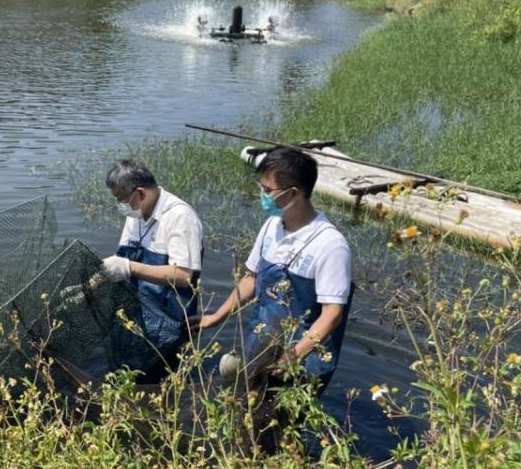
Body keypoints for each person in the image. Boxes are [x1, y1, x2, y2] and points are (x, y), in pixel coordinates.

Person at [192, 148, 352, 393]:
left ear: (294, 194)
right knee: (247, 411)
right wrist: (216, 316)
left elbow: (332, 315)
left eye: (268, 191)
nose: (262, 196)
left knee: (285, 424)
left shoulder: (330, 245)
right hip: (262, 341)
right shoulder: (271, 227)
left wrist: (293, 356)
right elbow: (252, 279)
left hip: (304, 358)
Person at [100, 160, 203, 377]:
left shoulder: (180, 217)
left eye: (122, 200)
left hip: (171, 320)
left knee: (164, 380)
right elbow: (121, 260)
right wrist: (88, 286)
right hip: (140, 313)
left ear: (140, 193)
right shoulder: (135, 215)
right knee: (131, 375)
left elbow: (183, 276)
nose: (121, 206)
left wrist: (130, 267)